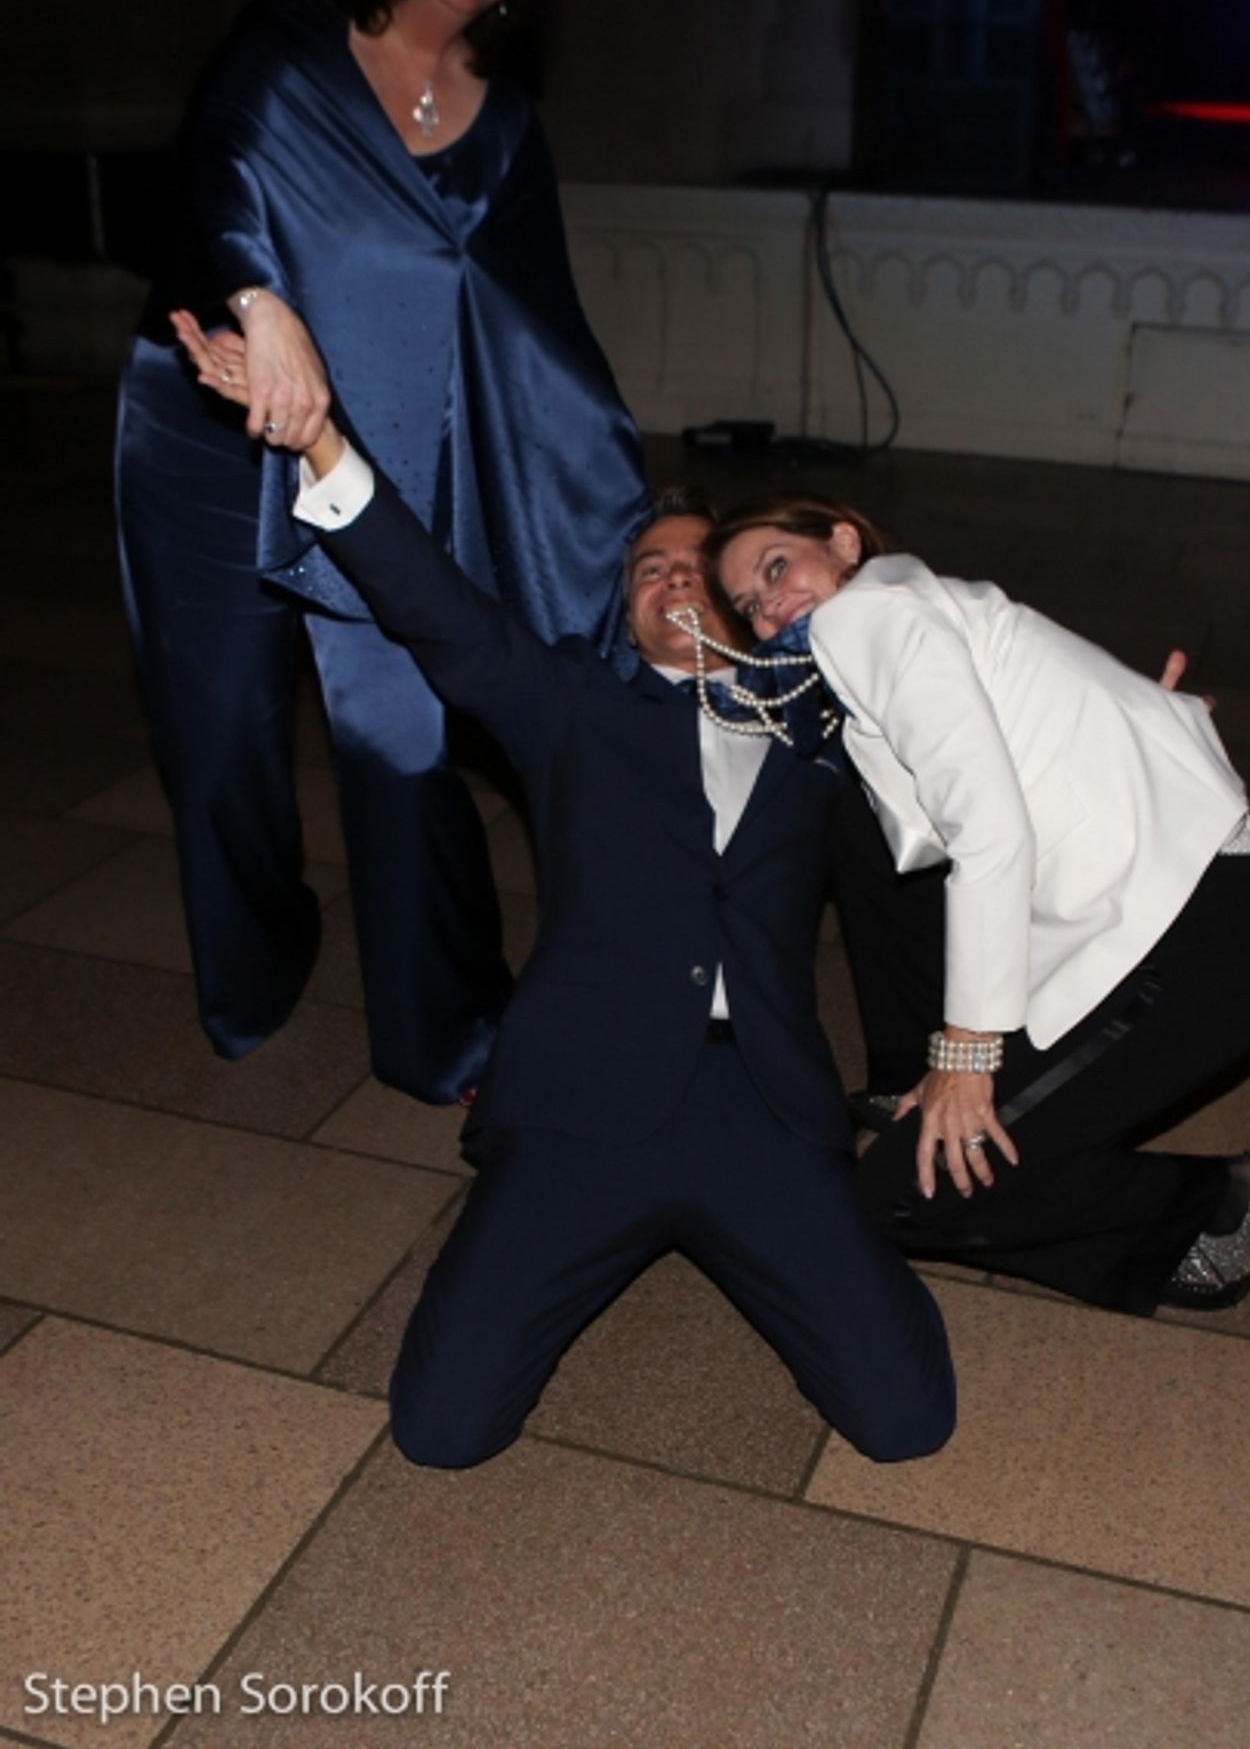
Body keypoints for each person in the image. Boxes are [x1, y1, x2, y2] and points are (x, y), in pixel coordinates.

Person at [175, 321, 955, 1469]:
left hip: (763, 1099)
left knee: (905, 1420)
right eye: (650, 569)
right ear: (624, 610)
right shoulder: (569, 708)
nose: (674, 578)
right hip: (582, 1089)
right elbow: (431, 600)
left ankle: (833, 1247)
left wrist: (1128, 726)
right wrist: (320, 439)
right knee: (443, 1430)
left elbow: (979, 762)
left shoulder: (828, 723)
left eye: (698, 566)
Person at [115, 0, 652, 1103]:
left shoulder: (507, 123)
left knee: (400, 739)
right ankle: (257, 962)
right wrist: (261, 303)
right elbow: (215, 183)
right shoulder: (287, 41)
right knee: (216, 738)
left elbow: (537, 327)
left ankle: (442, 1021)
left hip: (385, 453)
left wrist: (617, 505)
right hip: (208, 425)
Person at [709, 495, 1250, 1317]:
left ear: (843, 541)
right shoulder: (921, 613)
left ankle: (1217, 1197)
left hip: (1186, 954)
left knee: (899, 1195)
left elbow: (988, 827)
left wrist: (966, 1051)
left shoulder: (865, 618)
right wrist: (1155, 727)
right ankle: (1164, 1229)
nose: (768, 603)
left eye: (776, 567)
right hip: (1167, 936)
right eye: (748, 604)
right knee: (928, 1175)